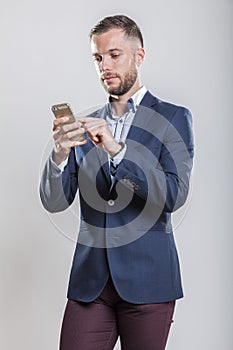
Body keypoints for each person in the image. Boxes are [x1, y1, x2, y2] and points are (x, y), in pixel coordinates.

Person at [40, 14, 194, 350]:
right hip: (90, 284)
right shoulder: (87, 123)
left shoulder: (172, 118)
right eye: (97, 57)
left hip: (149, 282)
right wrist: (59, 156)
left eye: (114, 55)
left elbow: (173, 194)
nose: (104, 66)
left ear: (139, 56)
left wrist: (117, 151)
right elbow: (55, 201)